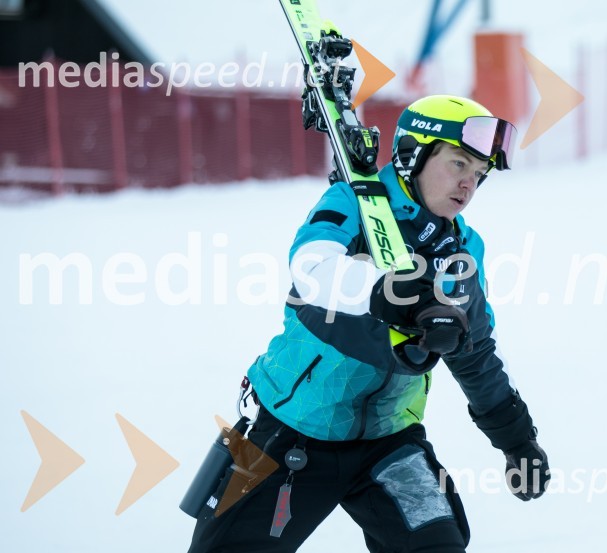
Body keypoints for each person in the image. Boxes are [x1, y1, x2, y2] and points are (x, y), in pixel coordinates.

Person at [187, 95, 550, 553]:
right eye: (458, 163)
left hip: (389, 441)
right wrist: (389, 294)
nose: (468, 184)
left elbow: (474, 351)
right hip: (287, 431)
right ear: (413, 155)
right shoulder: (352, 205)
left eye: (478, 174)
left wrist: (517, 440)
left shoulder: (463, 250)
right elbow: (312, 269)